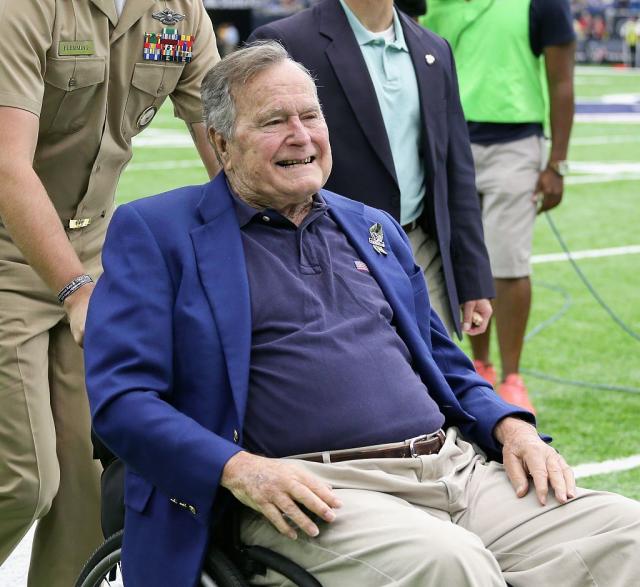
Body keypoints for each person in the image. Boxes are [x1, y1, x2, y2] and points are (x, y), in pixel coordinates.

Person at [84, 42, 640, 587]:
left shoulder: (371, 227)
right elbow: (122, 400)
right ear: (221, 143)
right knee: (451, 563)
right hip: (317, 491)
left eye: (310, 116)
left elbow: (446, 365)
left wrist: (508, 425)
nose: (300, 136)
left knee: (624, 532)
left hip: (454, 471)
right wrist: (238, 468)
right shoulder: (159, 233)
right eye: (275, 121)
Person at [0, 1, 220, 584]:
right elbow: (6, 166)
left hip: (95, 255)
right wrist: (74, 290)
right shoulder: (23, 9)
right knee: (23, 480)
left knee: (87, 488)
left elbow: (227, 141)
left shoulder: (179, 11)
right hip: (8, 252)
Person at [249, 0, 494, 338]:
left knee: (436, 380)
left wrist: (473, 278)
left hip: (419, 251)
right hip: (331, 253)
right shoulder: (286, 41)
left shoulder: (433, 49)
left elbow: (456, 170)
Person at [422, 0, 576, 413]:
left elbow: (561, 80)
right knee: (458, 260)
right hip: (448, 140)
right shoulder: (432, 3)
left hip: (516, 142)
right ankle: (479, 366)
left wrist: (557, 163)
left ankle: (512, 375)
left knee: (507, 261)